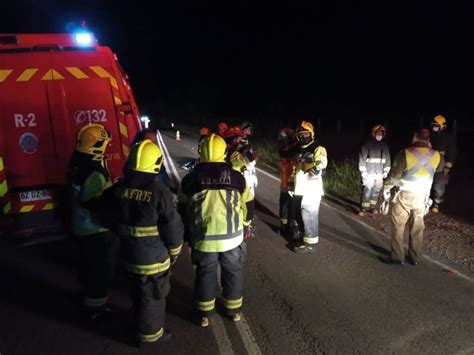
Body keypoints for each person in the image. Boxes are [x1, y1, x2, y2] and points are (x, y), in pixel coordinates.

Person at [112, 139, 183, 345]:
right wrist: (174, 251)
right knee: (152, 297)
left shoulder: (118, 188)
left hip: (127, 255)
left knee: (137, 292)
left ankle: (137, 323)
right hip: (153, 259)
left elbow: (107, 216)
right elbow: (172, 227)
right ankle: (151, 336)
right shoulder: (159, 192)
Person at [178, 134, 252, 327]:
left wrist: (188, 232)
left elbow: (182, 209)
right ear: (224, 153)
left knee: (205, 272)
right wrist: (246, 224)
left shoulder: (190, 179)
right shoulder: (237, 177)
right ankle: (234, 310)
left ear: (201, 152)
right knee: (233, 271)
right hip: (233, 237)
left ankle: (204, 314)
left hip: (204, 237)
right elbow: (248, 204)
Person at [66, 124, 119, 321]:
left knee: (87, 265)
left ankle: (87, 297)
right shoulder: (95, 171)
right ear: (97, 144)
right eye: (105, 143)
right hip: (96, 229)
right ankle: (95, 309)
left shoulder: (77, 161)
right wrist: (113, 196)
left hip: (79, 225)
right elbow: (92, 201)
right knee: (101, 270)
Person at [382, 128, 440, 265]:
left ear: (415, 137)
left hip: (404, 195)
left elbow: (395, 177)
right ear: (428, 140)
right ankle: (415, 257)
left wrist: (385, 188)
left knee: (398, 225)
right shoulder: (436, 155)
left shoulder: (405, 153)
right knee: (417, 227)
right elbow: (439, 168)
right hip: (422, 197)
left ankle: (397, 256)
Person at [289, 121, 328, 254]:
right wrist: (290, 183)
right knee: (297, 212)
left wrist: (315, 169)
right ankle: (300, 236)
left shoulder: (318, 148)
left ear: (311, 134)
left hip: (312, 188)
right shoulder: (298, 148)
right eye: (301, 134)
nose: (304, 136)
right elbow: (295, 168)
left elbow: (322, 163)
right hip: (299, 187)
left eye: (306, 133)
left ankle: (310, 244)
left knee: (309, 214)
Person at [358, 124, 391, 216]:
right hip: (369, 173)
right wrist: (363, 172)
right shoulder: (367, 145)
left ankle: (372, 207)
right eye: (378, 133)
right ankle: (364, 208)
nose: (379, 135)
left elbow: (387, 160)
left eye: (381, 133)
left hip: (380, 173)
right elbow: (362, 158)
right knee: (367, 190)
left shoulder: (384, 146)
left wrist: (386, 171)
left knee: (376, 190)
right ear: (374, 133)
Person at [429, 115, 457, 213]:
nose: (434, 127)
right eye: (433, 125)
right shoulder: (430, 136)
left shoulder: (448, 138)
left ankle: (437, 204)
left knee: (439, 187)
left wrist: (447, 167)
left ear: (442, 126)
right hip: (428, 166)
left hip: (441, 168)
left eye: (436, 125)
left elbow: (452, 153)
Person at [277, 128, 297, 236]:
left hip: (294, 184)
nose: (281, 142)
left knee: (293, 206)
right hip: (285, 183)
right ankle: (284, 227)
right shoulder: (284, 150)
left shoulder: (295, 149)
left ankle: (293, 228)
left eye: (283, 139)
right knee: (284, 206)